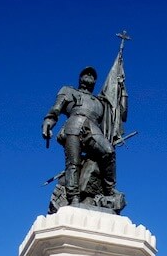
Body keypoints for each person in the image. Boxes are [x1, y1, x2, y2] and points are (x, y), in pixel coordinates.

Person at [41, 66, 124, 207]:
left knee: (108, 151)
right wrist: (48, 122)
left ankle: (109, 190)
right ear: (80, 78)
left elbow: (117, 114)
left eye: (92, 75)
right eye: (86, 74)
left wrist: (120, 87)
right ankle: (73, 197)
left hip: (93, 128)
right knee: (73, 163)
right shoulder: (68, 91)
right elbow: (55, 109)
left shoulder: (100, 102)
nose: (89, 76)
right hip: (73, 124)